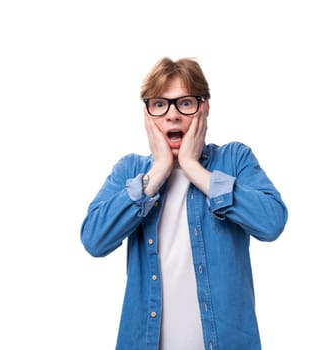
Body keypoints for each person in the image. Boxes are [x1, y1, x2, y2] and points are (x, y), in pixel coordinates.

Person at [80, 57, 288, 350]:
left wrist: (193, 168)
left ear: (204, 107)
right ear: (148, 114)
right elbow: (94, 239)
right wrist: (158, 171)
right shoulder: (130, 170)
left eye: (185, 103)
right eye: (160, 104)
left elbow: (271, 222)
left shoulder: (234, 159)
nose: (172, 115)